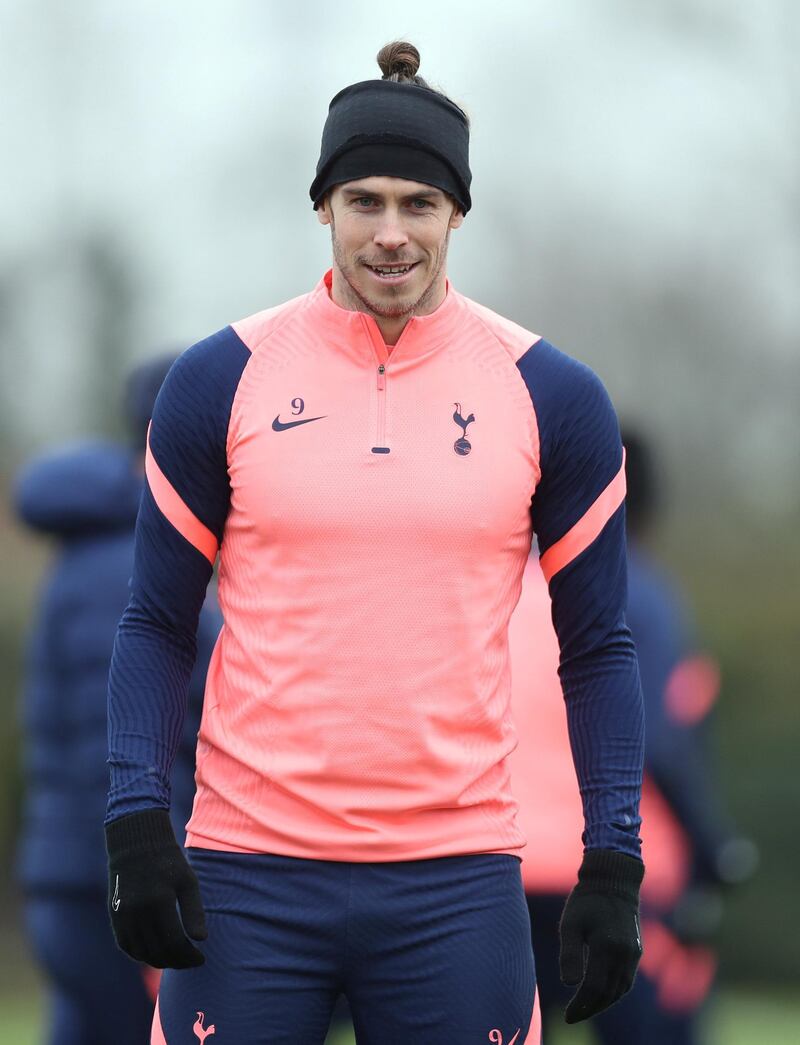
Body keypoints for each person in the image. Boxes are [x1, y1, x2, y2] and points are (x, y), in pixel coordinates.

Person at [105, 42, 645, 1045]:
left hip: (456, 880)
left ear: (456, 215)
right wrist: (136, 819)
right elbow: (154, 623)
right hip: (247, 873)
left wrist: (612, 856)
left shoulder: (551, 396)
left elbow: (598, 648)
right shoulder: (219, 378)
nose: (389, 234)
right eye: (363, 202)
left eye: (417, 204)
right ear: (321, 207)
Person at [509, 428, 755, 1044]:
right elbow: (664, 740)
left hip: (503, 866)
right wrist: (716, 847)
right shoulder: (641, 593)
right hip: (618, 872)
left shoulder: (509, 593)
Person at [14, 357, 221, 1045]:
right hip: (114, 878)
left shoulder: (102, 547)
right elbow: (142, 735)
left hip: (70, 873)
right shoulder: (138, 565)